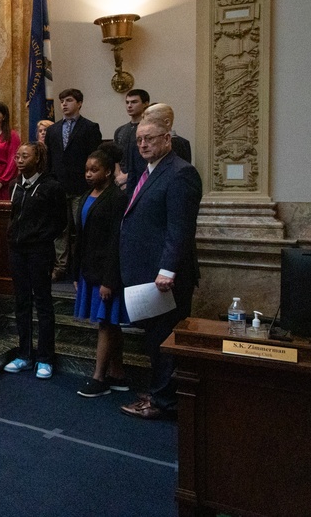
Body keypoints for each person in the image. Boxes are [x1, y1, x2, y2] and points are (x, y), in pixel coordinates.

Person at [119, 111, 202, 420]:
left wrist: (167, 269)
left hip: (166, 278)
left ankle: (164, 403)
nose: (142, 144)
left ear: (167, 139)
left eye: (149, 139)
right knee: (155, 340)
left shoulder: (181, 172)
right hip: (146, 275)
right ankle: (159, 392)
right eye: (139, 140)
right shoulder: (149, 170)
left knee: (166, 341)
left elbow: (180, 228)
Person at [71, 145, 130, 397]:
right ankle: (117, 373)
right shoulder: (86, 196)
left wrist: (109, 279)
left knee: (106, 323)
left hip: (107, 273)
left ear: (107, 171)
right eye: (86, 170)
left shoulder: (116, 198)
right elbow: (80, 238)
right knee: (110, 324)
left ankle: (99, 378)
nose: (88, 174)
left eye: (94, 170)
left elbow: (116, 241)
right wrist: (76, 272)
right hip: (89, 269)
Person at [4, 142, 67, 380]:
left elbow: (60, 221)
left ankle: (45, 357)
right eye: (17, 156)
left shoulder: (51, 187)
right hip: (17, 250)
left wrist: (41, 236)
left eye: (24, 156)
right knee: (21, 301)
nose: (19, 160)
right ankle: (24, 354)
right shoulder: (15, 185)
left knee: (42, 302)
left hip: (39, 251)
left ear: (38, 159)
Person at [44, 89, 102, 281]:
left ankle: (81, 266)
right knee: (60, 229)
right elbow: (49, 158)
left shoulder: (90, 127)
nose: (64, 104)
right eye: (62, 101)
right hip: (58, 186)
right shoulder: (53, 129)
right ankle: (61, 266)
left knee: (81, 227)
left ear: (79, 103)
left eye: (69, 100)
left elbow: (95, 158)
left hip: (81, 186)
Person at [126, 102, 193, 195]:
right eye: (144, 119)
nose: (143, 145)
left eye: (150, 139)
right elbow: (132, 179)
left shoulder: (181, 147)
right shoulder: (136, 145)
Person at [113, 88, 150, 190]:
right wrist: (119, 175)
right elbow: (115, 156)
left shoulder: (149, 130)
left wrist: (128, 177)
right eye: (127, 102)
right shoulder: (120, 130)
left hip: (143, 179)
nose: (129, 105)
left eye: (134, 102)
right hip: (120, 181)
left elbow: (150, 158)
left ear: (145, 104)